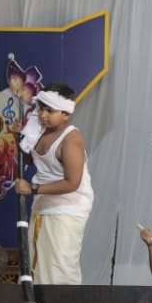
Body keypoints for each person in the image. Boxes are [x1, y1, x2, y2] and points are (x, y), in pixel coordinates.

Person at [14, 83, 94, 285]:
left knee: (58, 267)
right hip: (43, 204)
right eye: (41, 108)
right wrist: (18, 137)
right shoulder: (38, 129)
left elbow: (72, 183)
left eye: (49, 111)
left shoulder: (71, 139)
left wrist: (32, 188)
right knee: (36, 263)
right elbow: (33, 159)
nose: (43, 115)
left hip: (69, 208)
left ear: (65, 113)